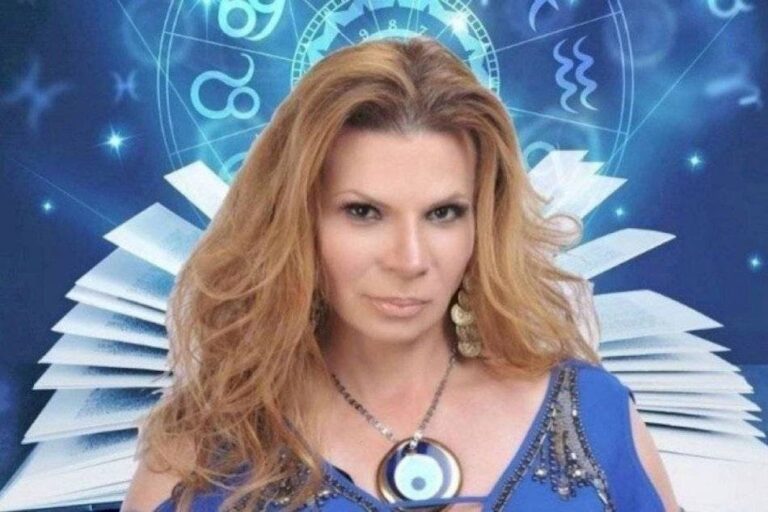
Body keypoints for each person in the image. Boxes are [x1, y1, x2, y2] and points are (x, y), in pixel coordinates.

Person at [121, 36, 681, 512]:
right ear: (295, 220)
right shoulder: (201, 448)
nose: (410, 260)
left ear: (483, 221)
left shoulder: (594, 415)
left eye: (444, 213)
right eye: (364, 212)